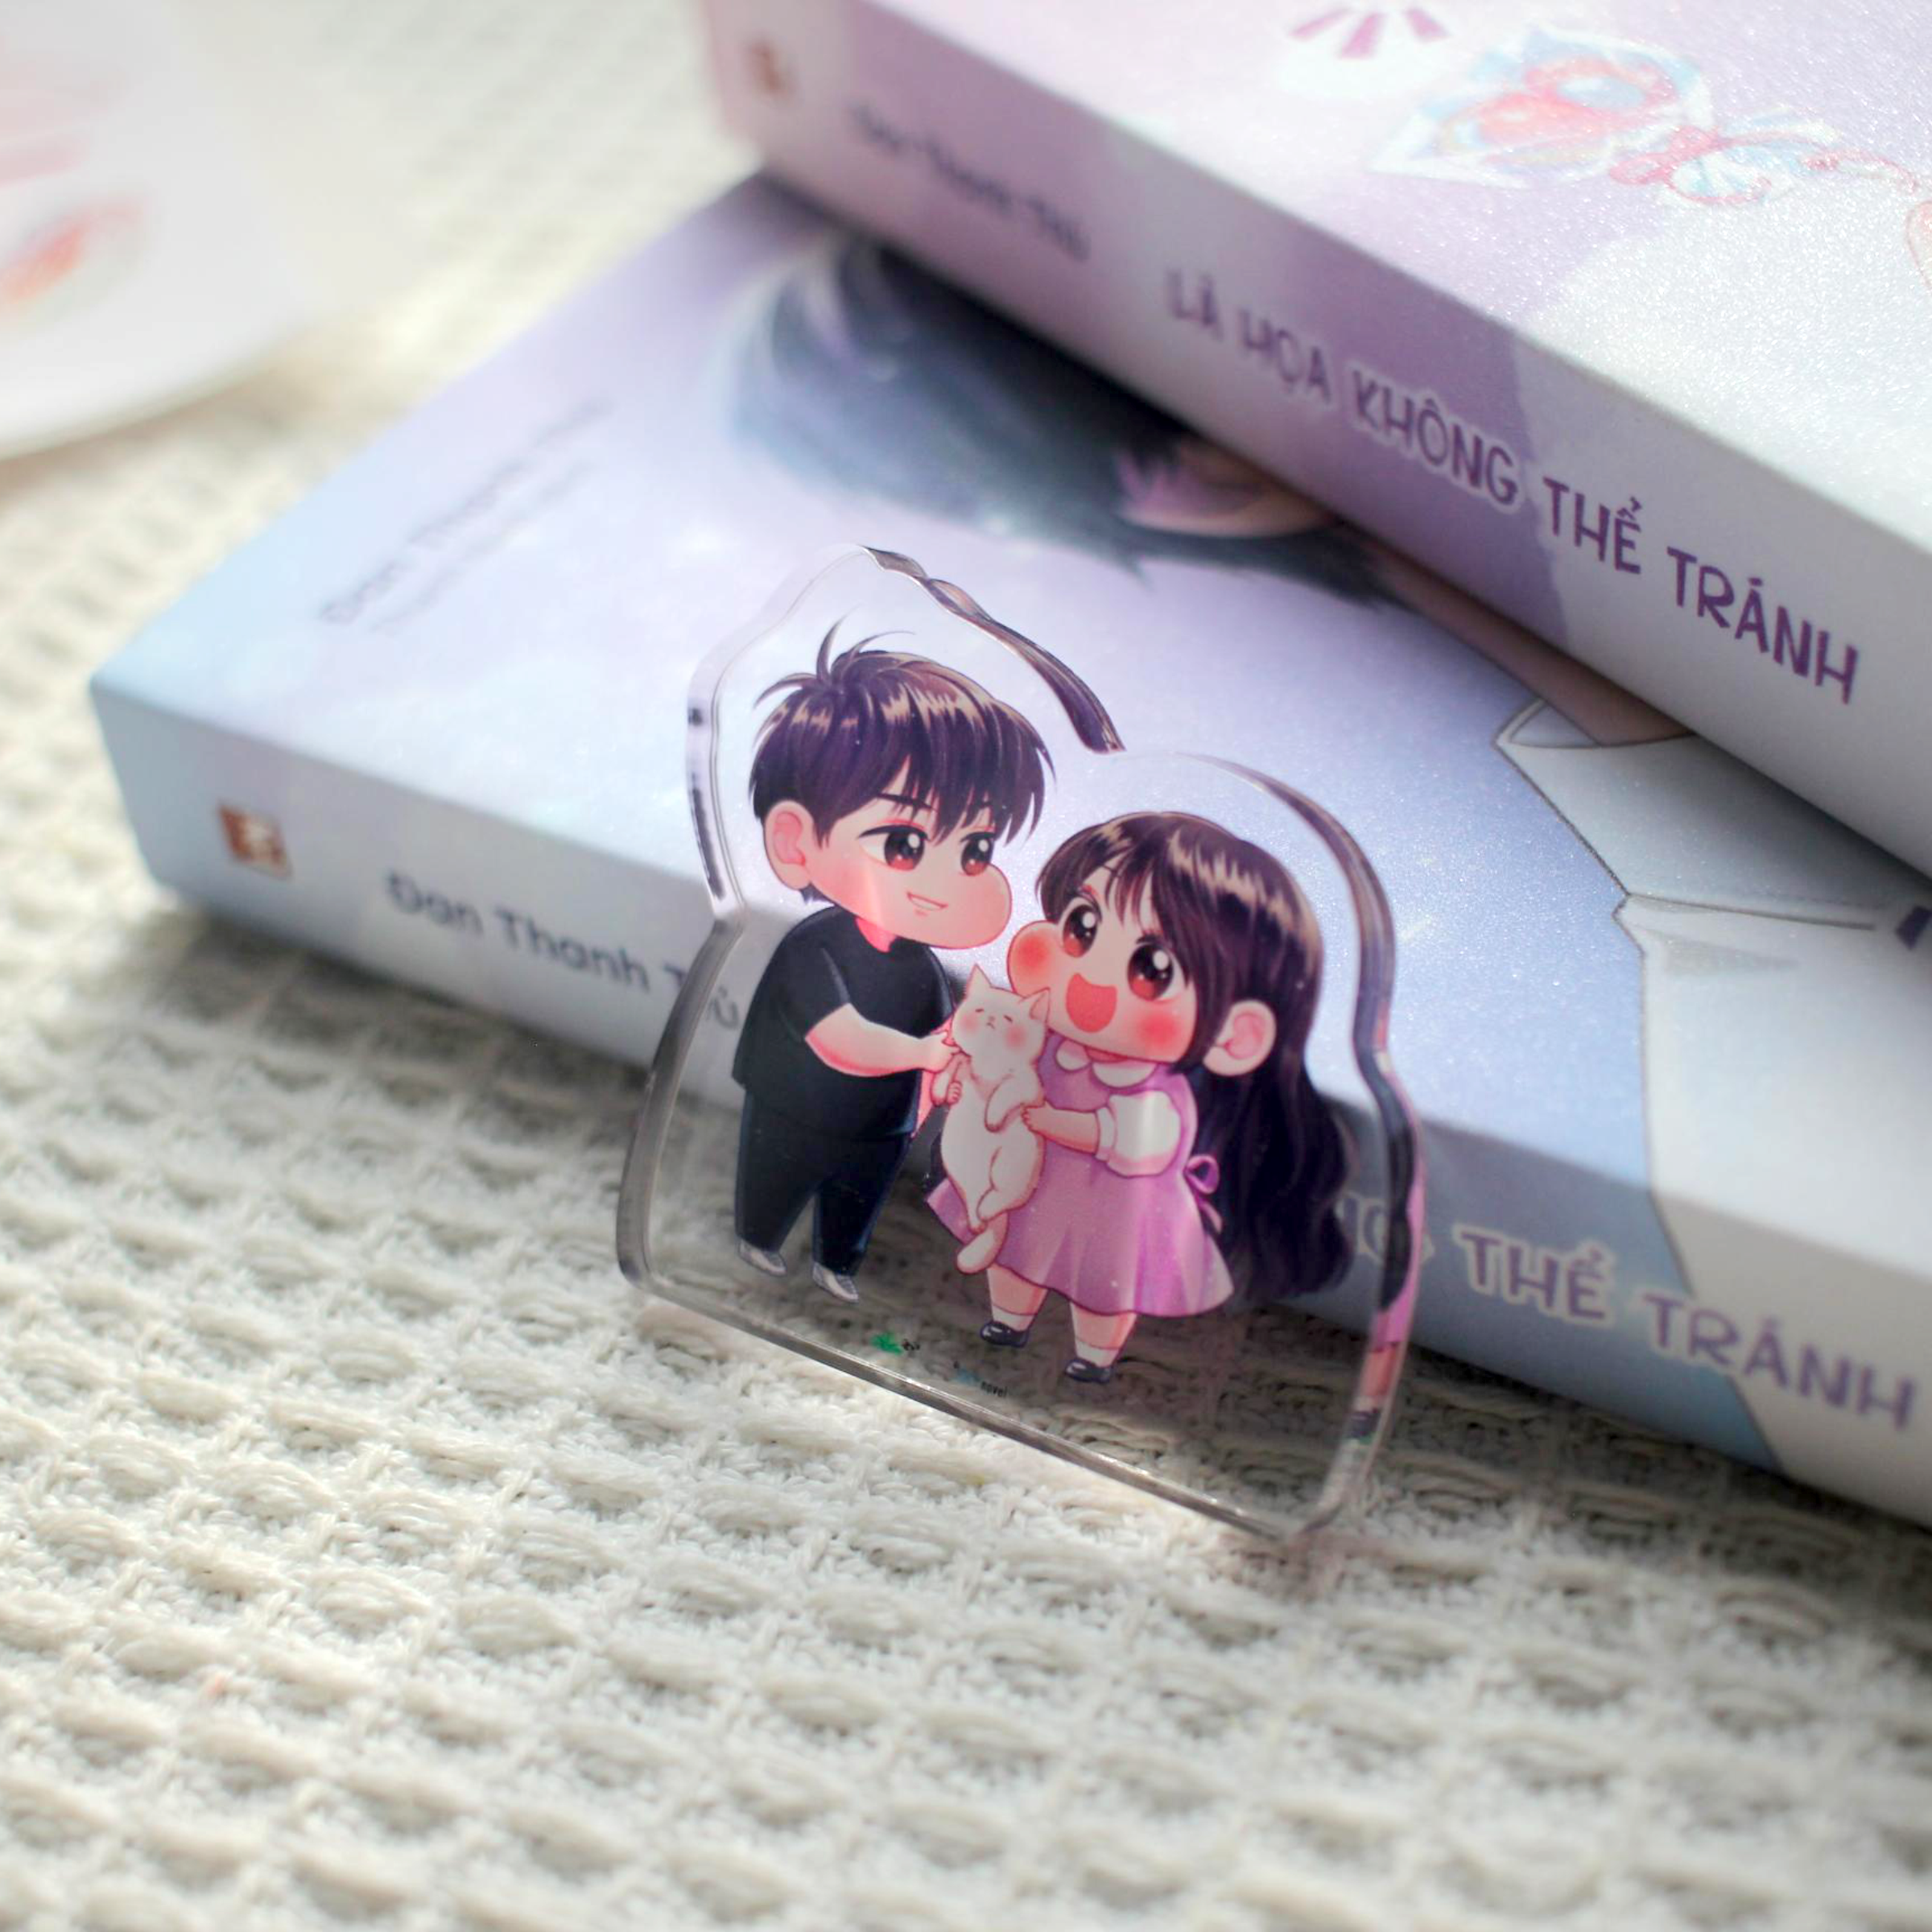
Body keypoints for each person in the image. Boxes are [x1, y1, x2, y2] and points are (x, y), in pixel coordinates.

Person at [929, 811, 1351, 1381]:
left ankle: (1095, 1358)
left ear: (1237, 1035)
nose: (1091, 977)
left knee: (1104, 1288)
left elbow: (1130, 1140)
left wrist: (1046, 1119)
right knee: (1015, 1254)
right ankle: (1008, 1321)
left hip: (1115, 1214)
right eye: (1081, 927)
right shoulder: (1042, 1042)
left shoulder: (1164, 1092)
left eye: (1153, 968)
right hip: (1035, 1191)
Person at [732, 629, 1050, 1302]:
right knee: (774, 1176)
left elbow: (942, 1040)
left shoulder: (923, 969)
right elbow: (840, 1039)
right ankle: (757, 1237)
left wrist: (948, 1080)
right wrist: (925, 1055)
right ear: (795, 842)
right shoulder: (813, 946)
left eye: (974, 850)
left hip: (880, 1123)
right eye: (904, 843)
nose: (946, 879)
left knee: (859, 1192)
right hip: (794, 1102)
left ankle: (837, 1263)